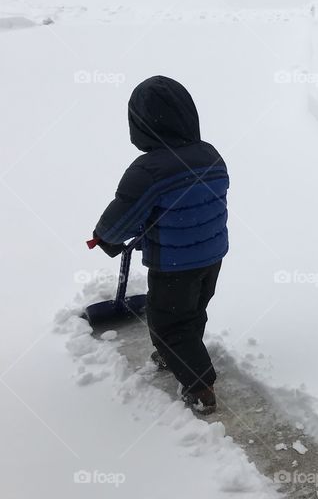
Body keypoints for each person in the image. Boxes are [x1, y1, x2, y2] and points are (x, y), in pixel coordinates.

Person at [92, 76, 229, 415]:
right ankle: (174, 354)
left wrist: (106, 236)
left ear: (140, 125)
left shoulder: (147, 170)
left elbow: (125, 211)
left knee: (168, 322)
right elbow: (192, 203)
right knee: (192, 312)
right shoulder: (210, 155)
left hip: (174, 264)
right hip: (212, 256)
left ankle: (200, 386)